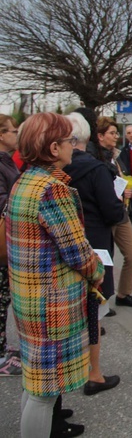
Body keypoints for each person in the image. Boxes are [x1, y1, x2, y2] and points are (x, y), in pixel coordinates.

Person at [7, 112, 104, 437]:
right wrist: (98, 269)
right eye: (67, 141)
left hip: (29, 299)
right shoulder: (52, 190)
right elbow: (78, 252)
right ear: (52, 148)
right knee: (45, 392)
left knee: (35, 384)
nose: (72, 147)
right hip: (52, 306)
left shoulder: (26, 181)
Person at [64, 113, 122, 396]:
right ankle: (93, 373)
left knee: (71, 310)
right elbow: (112, 210)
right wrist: (120, 203)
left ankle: (71, 369)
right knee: (93, 309)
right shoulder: (96, 169)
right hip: (95, 242)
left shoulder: (52, 170)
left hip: (64, 246)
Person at [95, 117, 132, 303]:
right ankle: (101, 299)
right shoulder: (96, 158)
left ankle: (124, 294)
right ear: (100, 136)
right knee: (104, 258)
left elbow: (119, 180)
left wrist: (128, 192)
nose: (116, 136)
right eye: (112, 133)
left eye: (117, 133)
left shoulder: (114, 156)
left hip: (120, 210)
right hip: (105, 213)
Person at [0, 115, 20, 377]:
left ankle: (3, 345)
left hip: (5, 241)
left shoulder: (7, 161)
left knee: (4, 296)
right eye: (13, 131)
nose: (17, 134)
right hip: (1, 241)